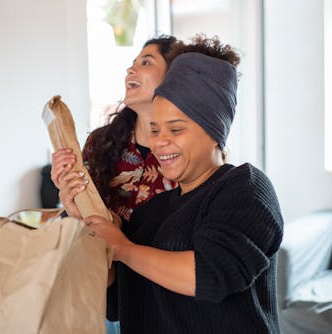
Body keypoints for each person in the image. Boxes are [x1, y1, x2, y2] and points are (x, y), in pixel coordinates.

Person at [83, 38, 284, 333]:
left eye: (176, 129)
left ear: (215, 131)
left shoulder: (246, 189)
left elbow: (212, 275)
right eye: (155, 129)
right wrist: (99, 234)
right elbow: (116, 304)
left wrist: (122, 248)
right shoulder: (151, 212)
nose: (159, 141)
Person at [50, 35, 179, 221]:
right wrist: (68, 188)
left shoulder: (185, 152)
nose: (130, 70)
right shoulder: (100, 143)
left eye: (146, 63)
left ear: (172, 77)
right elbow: (79, 219)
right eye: (133, 63)